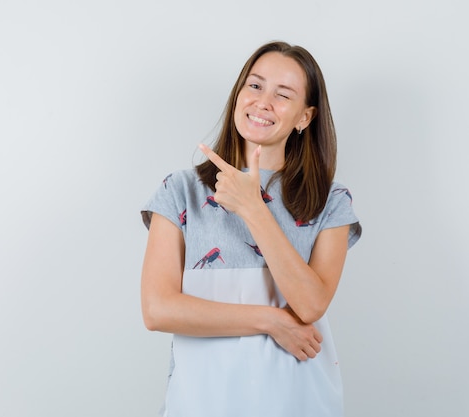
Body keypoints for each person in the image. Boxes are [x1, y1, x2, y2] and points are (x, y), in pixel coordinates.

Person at [140, 40, 362, 417]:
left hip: (298, 400)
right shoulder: (180, 191)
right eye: (255, 85)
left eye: (284, 94)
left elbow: (310, 305)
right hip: (202, 400)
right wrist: (270, 320)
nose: (263, 102)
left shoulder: (331, 201)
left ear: (304, 118)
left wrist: (253, 209)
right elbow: (157, 310)